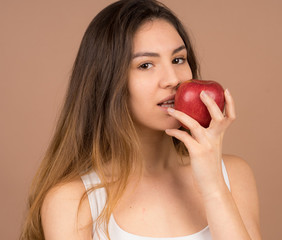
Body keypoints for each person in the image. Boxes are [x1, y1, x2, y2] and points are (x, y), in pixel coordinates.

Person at [20, 0, 261, 239]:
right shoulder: (73, 201)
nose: (172, 79)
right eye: (146, 65)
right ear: (107, 82)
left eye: (178, 60)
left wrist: (213, 184)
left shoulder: (232, 175)